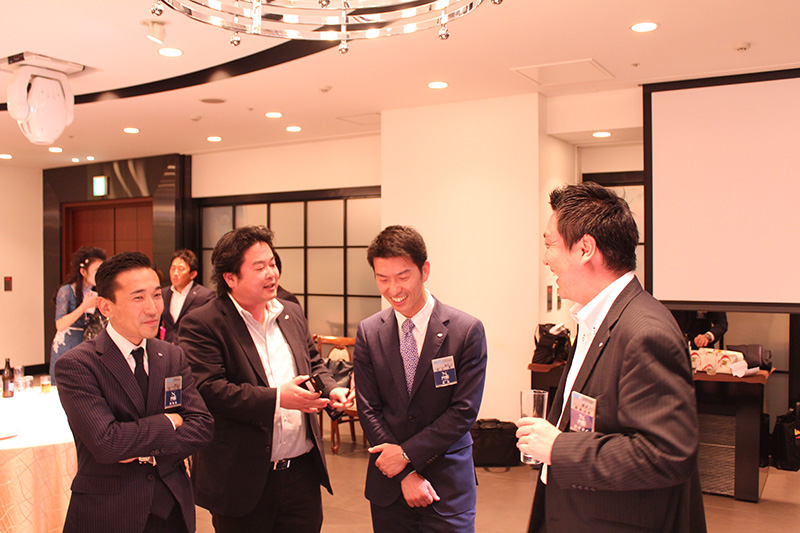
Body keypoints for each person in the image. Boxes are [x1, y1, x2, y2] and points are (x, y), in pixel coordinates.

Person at [516, 181, 706, 532]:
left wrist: (559, 448)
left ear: (585, 248)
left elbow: (666, 454)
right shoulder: (595, 320)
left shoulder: (645, 332)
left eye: (550, 244)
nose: (545, 258)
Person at [178, 225, 354, 532]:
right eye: (259, 267)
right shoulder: (204, 323)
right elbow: (209, 390)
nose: (271, 273)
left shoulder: (290, 312)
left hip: (301, 474)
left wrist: (331, 389)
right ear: (230, 278)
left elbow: (312, 362)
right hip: (241, 480)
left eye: (272, 264)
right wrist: (278, 399)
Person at [54, 251, 214, 533]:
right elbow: (107, 443)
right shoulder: (78, 364)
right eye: (138, 298)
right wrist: (169, 421)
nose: (153, 309)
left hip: (172, 507)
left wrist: (135, 445)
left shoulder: (172, 355)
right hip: (110, 512)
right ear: (106, 306)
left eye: (157, 295)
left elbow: (202, 426)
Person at [353, 225, 488, 532]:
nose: (393, 289)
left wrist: (405, 455)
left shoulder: (466, 331)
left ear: (424, 270)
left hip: (447, 483)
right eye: (382, 279)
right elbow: (368, 408)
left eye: (403, 277)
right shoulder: (369, 332)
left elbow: (463, 412)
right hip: (389, 484)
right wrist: (404, 473)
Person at [49, 246, 106, 384]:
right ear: (83, 272)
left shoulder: (95, 293)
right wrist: (84, 306)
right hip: (67, 344)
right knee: (64, 384)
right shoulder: (67, 291)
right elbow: (60, 324)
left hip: (86, 344)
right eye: (96, 271)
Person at [161, 249, 215, 344]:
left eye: (181, 269)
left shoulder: (205, 296)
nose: (175, 273)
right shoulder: (163, 294)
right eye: (173, 268)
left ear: (192, 274)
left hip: (191, 346)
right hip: (167, 347)